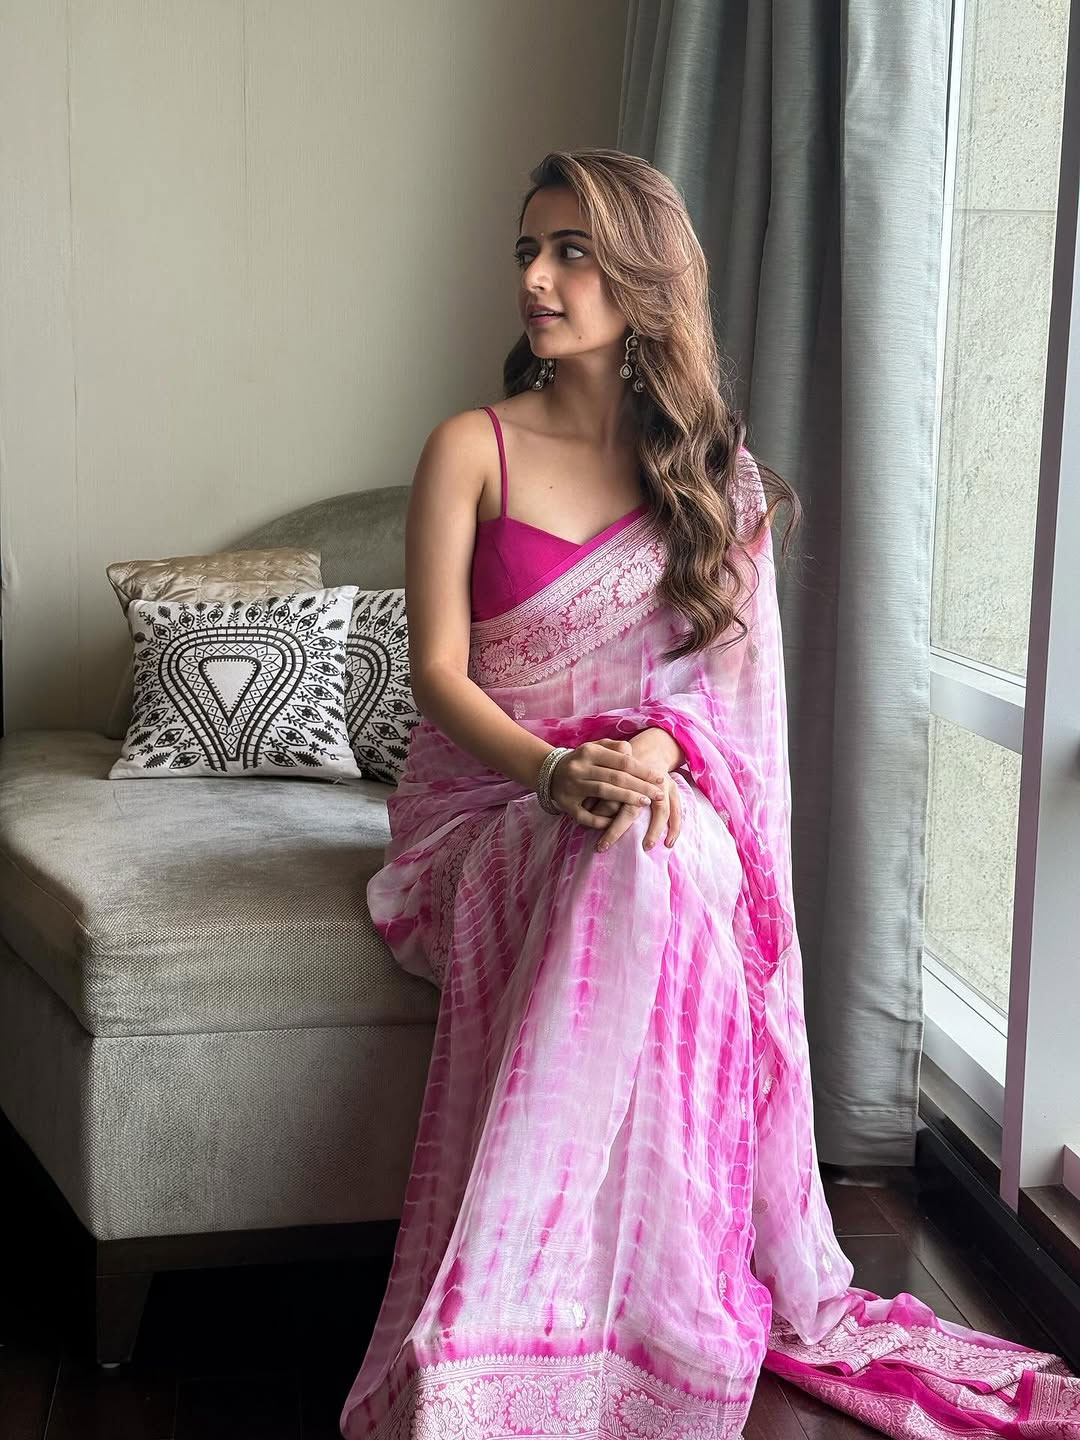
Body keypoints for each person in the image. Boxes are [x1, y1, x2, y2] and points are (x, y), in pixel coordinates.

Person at [340, 149, 1080, 1440]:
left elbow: (726, 709)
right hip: (490, 800)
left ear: (642, 277)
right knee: (639, 849)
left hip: (655, 797)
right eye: (528, 250)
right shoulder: (471, 448)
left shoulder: (715, 482)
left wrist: (657, 758)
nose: (537, 277)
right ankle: (504, 1318)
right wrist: (557, 770)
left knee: (653, 851)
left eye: (571, 251)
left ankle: (636, 1312)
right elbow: (439, 677)